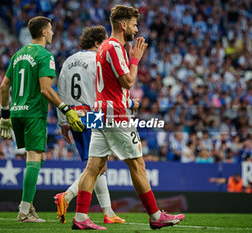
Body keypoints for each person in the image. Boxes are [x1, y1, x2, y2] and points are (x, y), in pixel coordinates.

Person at [71, 5, 184, 230]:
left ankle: (81, 217)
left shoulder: (103, 47)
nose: (136, 28)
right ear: (123, 25)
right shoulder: (114, 47)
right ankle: (155, 216)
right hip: (116, 115)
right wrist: (135, 59)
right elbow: (128, 82)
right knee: (138, 165)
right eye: (134, 24)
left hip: (100, 114)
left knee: (93, 167)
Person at [0, 16, 84, 223]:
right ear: (44, 32)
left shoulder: (17, 55)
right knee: (34, 159)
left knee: (36, 158)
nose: (53, 33)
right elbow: (46, 90)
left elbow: (3, 87)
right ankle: (24, 211)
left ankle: (29, 206)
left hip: (16, 113)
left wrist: (5, 116)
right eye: (51, 30)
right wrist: (65, 108)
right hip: (34, 113)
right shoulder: (45, 56)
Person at [54, 26, 125, 224]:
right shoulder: (98, 60)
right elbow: (105, 91)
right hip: (93, 115)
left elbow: (61, 91)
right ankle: (66, 197)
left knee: (95, 165)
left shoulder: (68, 62)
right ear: (97, 43)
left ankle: (109, 213)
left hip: (73, 116)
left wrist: (63, 121)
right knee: (97, 166)